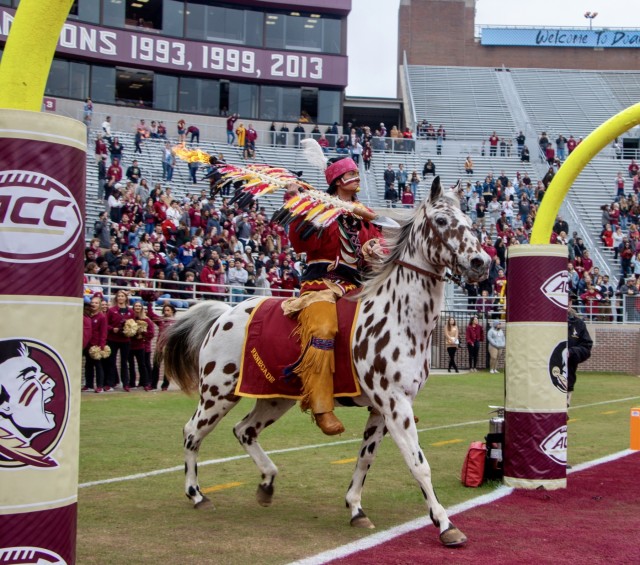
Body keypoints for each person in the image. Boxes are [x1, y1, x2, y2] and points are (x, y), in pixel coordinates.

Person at [284, 156, 383, 436]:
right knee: (323, 330)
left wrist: (373, 250)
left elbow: (376, 247)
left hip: (357, 286)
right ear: (339, 181)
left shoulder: (363, 213)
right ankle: (321, 407)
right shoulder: (320, 208)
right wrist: (295, 201)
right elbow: (301, 243)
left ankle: (384, 397)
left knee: (383, 325)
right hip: (321, 285)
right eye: (352, 174)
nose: (357, 178)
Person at [105, 289, 135, 391]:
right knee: (111, 362)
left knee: (124, 362)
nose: (120, 298)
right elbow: (106, 324)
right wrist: (112, 329)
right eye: (119, 296)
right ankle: (110, 383)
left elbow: (133, 325)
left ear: (126, 298)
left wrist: (129, 330)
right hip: (113, 339)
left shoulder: (130, 311)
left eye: (122, 296)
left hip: (125, 341)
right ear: (116, 298)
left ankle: (126, 384)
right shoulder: (111, 310)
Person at [567, 308, 593, 407]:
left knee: (562, 417)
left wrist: (571, 352)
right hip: (543, 382)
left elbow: (586, 348)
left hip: (567, 381)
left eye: (569, 300)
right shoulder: (545, 322)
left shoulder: (578, 324)